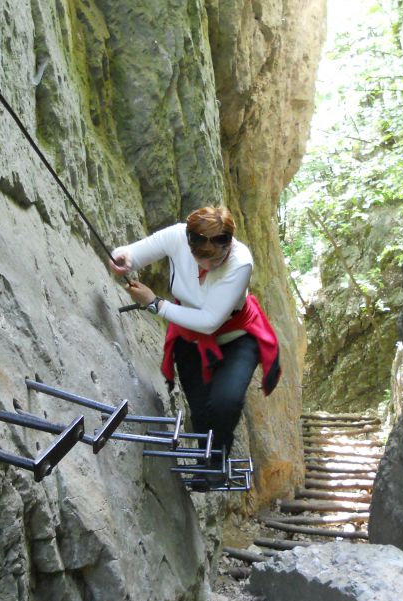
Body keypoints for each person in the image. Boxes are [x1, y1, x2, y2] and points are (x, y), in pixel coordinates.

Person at [110, 206, 281, 480]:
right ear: (190, 242)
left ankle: (216, 461)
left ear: (228, 246)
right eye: (200, 258)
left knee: (225, 402)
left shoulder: (240, 262)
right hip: (191, 337)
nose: (207, 266)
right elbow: (135, 253)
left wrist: (155, 304)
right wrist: (124, 258)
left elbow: (210, 320)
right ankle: (209, 463)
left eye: (215, 260)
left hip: (235, 337)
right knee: (201, 409)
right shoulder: (178, 236)